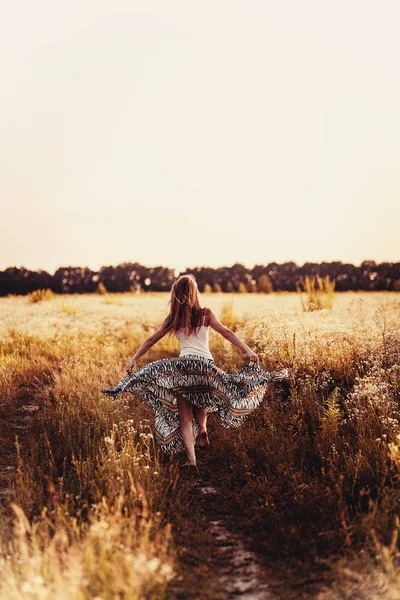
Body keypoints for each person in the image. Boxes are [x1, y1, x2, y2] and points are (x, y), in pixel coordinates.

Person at [102, 274, 290, 468]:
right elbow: (227, 332)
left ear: (176, 294)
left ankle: (192, 460)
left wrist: (134, 359)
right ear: (194, 293)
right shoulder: (205, 314)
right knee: (201, 399)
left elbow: (151, 340)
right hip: (205, 367)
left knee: (185, 416)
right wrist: (248, 350)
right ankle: (201, 427)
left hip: (184, 367)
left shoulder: (173, 319)